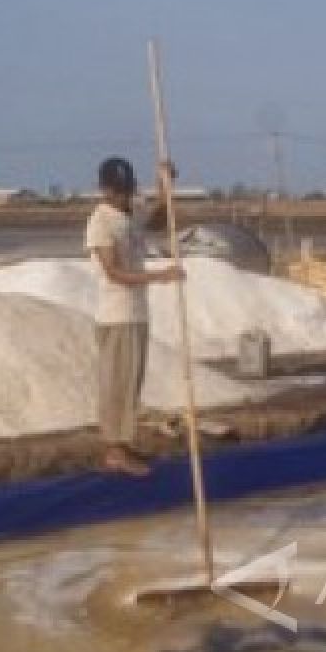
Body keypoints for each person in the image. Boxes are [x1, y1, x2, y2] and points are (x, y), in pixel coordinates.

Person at [84, 155, 184, 476]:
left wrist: (164, 187)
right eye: (118, 192)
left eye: (128, 191)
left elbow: (157, 219)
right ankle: (113, 449)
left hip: (137, 313)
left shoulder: (131, 213)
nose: (124, 197)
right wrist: (159, 277)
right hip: (116, 314)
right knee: (116, 382)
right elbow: (113, 272)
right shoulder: (100, 222)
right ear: (104, 190)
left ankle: (124, 444)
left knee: (131, 382)